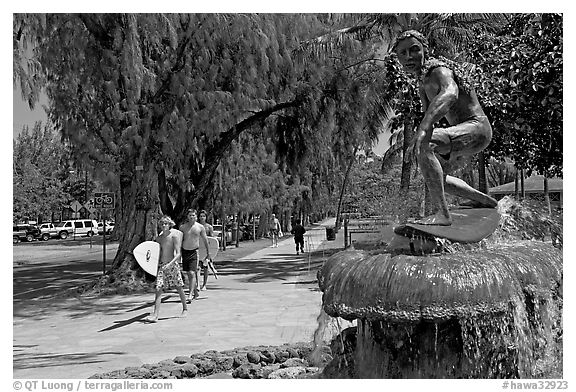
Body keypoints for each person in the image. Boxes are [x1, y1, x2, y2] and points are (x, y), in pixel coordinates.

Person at [392, 30, 498, 226]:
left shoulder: (439, 70)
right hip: (463, 132)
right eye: (403, 53)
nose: (409, 57)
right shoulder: (422, 83)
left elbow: (450, 94)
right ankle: (484, 200)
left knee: (426, 143)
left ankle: (443, 215)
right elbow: (427, 113)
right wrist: (420, 137)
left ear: (425, 50)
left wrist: (424, 130)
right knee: (434, 174)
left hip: (478, 129)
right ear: (397, 58)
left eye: (414, 50)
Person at [145, 215, 187, 322]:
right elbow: (156, 254)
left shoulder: (174, 237)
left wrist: (171, 264)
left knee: (178, 287)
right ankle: (155, 315)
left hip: (172, 266)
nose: (164, 226)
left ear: (169, 225)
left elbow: (178, 254)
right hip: (162, 266)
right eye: (162, 224)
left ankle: (185, 308)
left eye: (166, 224)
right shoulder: (158, 239)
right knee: (158, 289)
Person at [180, 209, 211, 302]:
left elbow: (206, 240)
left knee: (192, 273)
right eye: (190, 215)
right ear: (187, 216)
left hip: (194, 252)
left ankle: (190, 295)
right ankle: (195, 293)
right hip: (185, 252)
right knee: (189, 274)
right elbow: (179, 241)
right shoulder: (182, 227)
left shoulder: (200, 227)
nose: (192, 217)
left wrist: (208, 253)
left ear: (196, 216)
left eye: (193, 215)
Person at [198, 210, 214, 291]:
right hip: (198, 249)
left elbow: (212, 240)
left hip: (206, 249)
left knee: (205, 267)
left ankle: (204, 284)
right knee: (197, 267)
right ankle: (197, 284)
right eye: (200, 216)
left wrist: (209, 252)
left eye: (203, 216)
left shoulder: (209, 227)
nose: (202, 218)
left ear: (206, 217)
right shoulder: (196, 226)